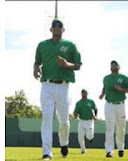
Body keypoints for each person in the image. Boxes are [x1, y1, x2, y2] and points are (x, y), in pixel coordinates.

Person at [33, 18, 82, 160]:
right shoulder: (42, 45)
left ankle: (64, 143)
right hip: (47, 85)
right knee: (47, 118)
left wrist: (67, 64)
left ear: (63, 30)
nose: (56, 29)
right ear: (50, 29)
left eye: (59, 27)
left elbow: (78, 65)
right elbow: (37, 62)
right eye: (54, 27)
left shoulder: (70, 45)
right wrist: (35, 69)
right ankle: (46, 153)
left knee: (64, 120)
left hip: (63, 87)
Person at [99, 60, 128, 158]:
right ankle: (109, 150)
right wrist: (102, 94)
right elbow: (104, 87)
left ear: (119, 67)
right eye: (112, 64)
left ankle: (120, 148)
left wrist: (122, 89)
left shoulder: (124, 78)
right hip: (109, 104)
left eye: (115, 65)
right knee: (109, 127)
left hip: (120, 105)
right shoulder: (106, 78)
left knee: (121, 127)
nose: (113, 66)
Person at [73, 89, 98, 154]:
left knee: (89, 136)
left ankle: (91, 138)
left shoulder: (91, 101)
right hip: (81, 121)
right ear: (81, 94)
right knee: (80, 137)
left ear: (87, 94)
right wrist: (75, 115)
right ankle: (83, 150)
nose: (84, 94)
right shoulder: (78, 103)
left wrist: (95, 116)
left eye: (85, 93)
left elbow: (95, 109)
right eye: (83, 93)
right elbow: (75, 112)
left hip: (89, 121)